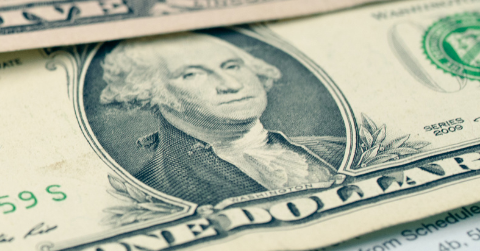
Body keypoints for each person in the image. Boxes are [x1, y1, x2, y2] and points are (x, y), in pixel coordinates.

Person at [97, 35, 345, 205]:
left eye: (232, 66)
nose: (231, 85)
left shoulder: (335, 149)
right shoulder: (154, 190)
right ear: (148, 92)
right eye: (192, 74)